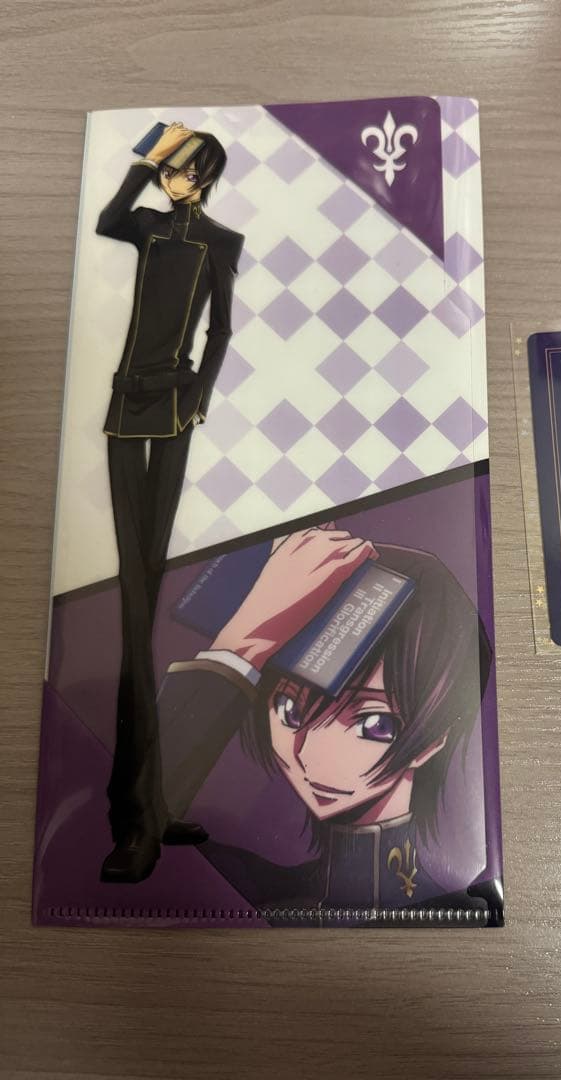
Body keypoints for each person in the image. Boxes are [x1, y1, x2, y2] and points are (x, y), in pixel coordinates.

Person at [157, 526, 497, 919]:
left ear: (435, 738)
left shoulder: (465, 911)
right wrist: (244, 644)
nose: (309, 756)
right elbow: (131, 828)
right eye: (289, 710)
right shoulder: (233, 884)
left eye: (373, 724)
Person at [97, 121, 245, 883]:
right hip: (125, 411)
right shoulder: (148, 227)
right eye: (168, 169)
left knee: (143, 616)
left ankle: (142, 816)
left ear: (206, 174)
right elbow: (107, 220)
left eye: (182, 169)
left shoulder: (221, 241)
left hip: (174, 415)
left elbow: (221, 330)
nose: (169, 179)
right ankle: (140, 815)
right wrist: (144, 156)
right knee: (134, 612)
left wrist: (195, 403)